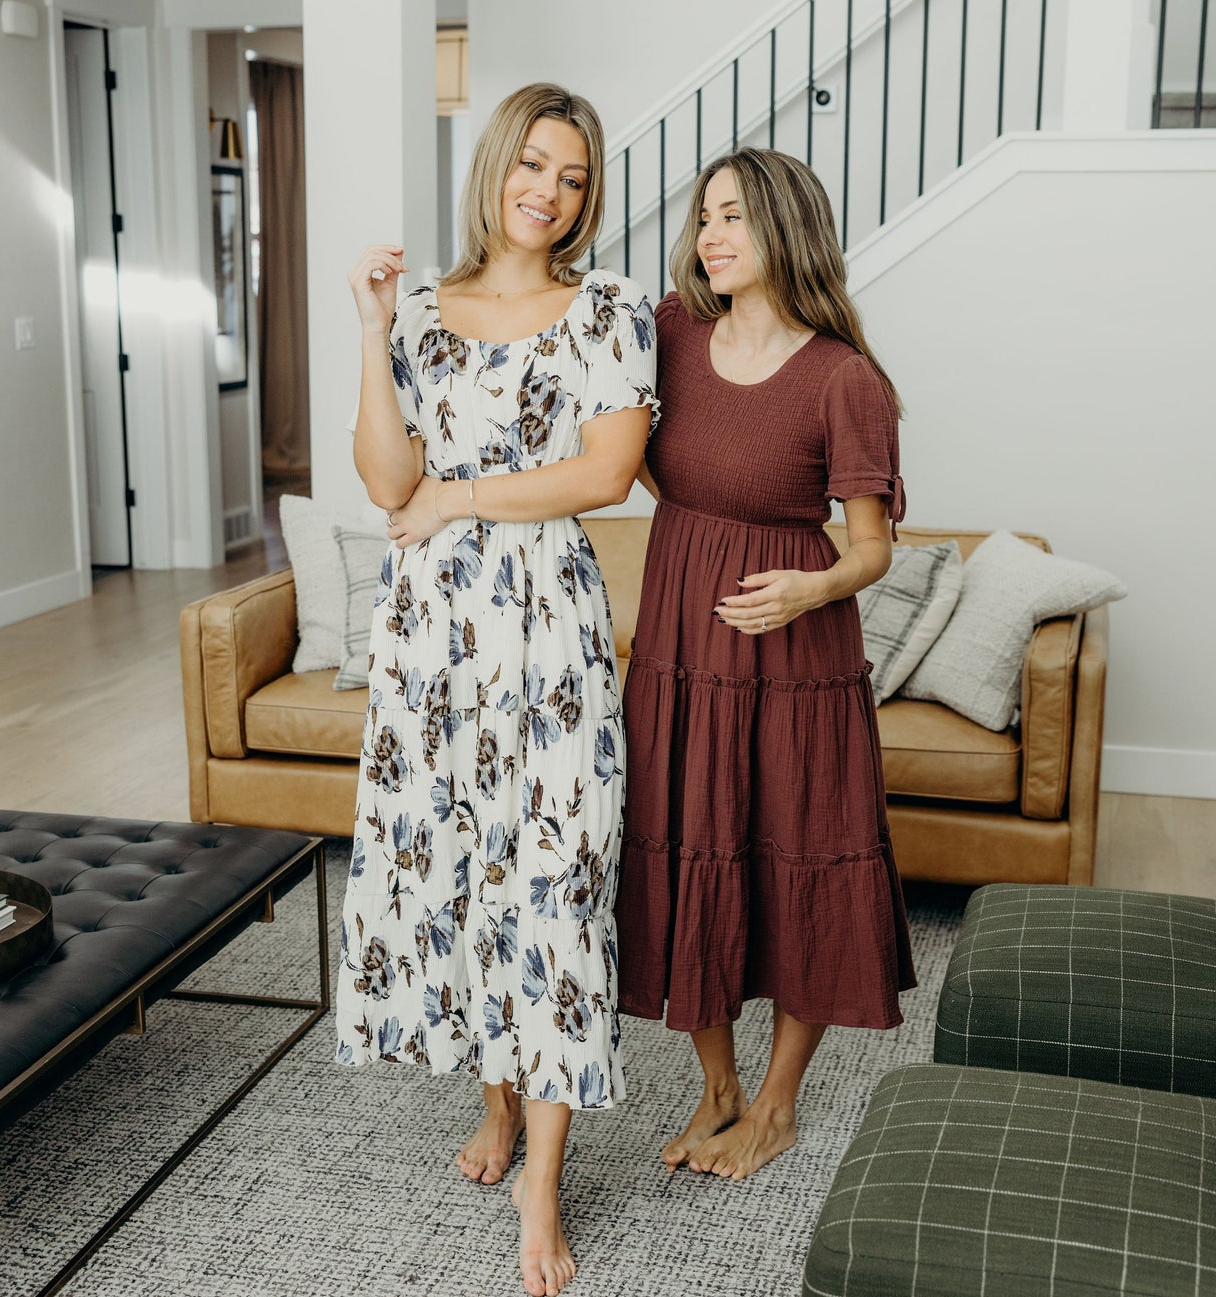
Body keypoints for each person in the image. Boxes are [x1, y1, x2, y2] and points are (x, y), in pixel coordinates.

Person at [334, 82, 657, 1297]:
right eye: (533, 165)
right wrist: (371, 331)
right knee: (466, 865)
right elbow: (386, 481)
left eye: (572, 177)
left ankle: (544, 1181)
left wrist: (459, 499)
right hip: (431, 635)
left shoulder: (610, 307)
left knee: (557, 877)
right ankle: (496, 1100)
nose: (549, 192)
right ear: (496, 166)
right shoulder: (421, 310)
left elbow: (606, 473)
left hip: (548, 626)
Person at [617, 148, 916, 1181]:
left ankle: (776, 1106)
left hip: (795, 651)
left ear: (785, 226)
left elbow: (872, 548)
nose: (710, 235)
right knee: (681, 843)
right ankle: (717, 1088)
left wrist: (807, 586)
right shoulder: (668, 333)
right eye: (704, 215)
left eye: (734, 215)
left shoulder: (842, 377)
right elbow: (636, 459)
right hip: (680, 638)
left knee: (799, 858)